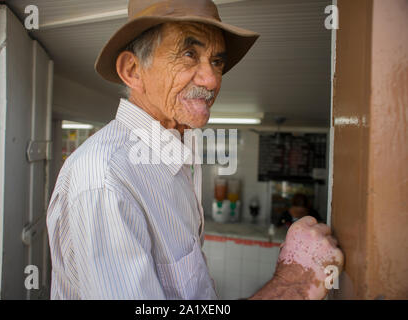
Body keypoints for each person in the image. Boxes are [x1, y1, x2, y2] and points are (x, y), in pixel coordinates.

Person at [46, 0, 343, 300]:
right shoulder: (107, 178)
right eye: (189, 54)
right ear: (133, 70)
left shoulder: (172, 156)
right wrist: (290, 287)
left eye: (217, 62)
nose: (212, 80)